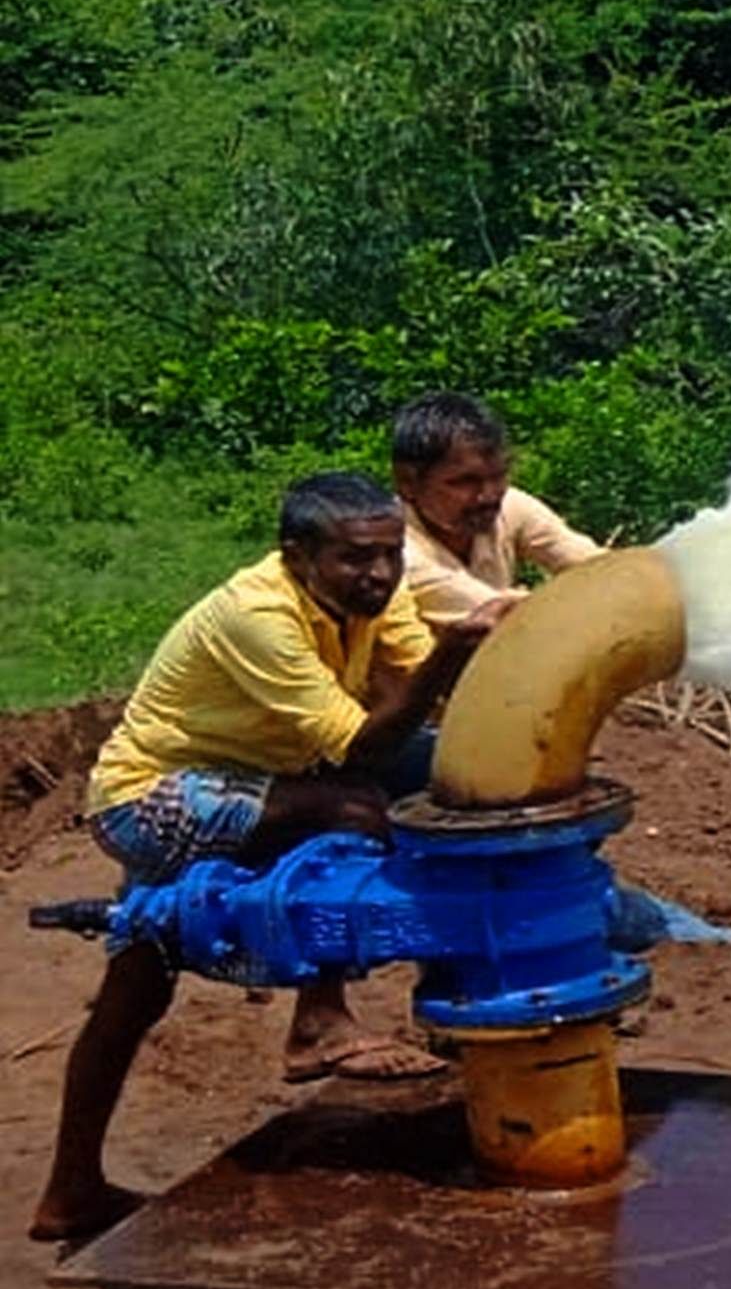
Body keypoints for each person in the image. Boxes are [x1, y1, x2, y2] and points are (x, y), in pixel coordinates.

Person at [28, 474, 511, 1245]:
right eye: (357, 560)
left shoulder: (367, 604)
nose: (380, 576)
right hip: (148, 801)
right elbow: (363, 743)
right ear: (297, 556)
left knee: (135, 986)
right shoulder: (259, 615)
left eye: (390, 556)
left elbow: (432, 702)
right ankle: (323, 1018)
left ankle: (69, 1194)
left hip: (255, 781)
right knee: (353, 801)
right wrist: (450, 655)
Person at [388, 391, 603, 635]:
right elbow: (509, 620)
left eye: (499, 476)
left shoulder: (510, 504)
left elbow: (601, 568)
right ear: (407, 483)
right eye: (464, 482)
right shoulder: (392, 549)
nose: (488, 495)